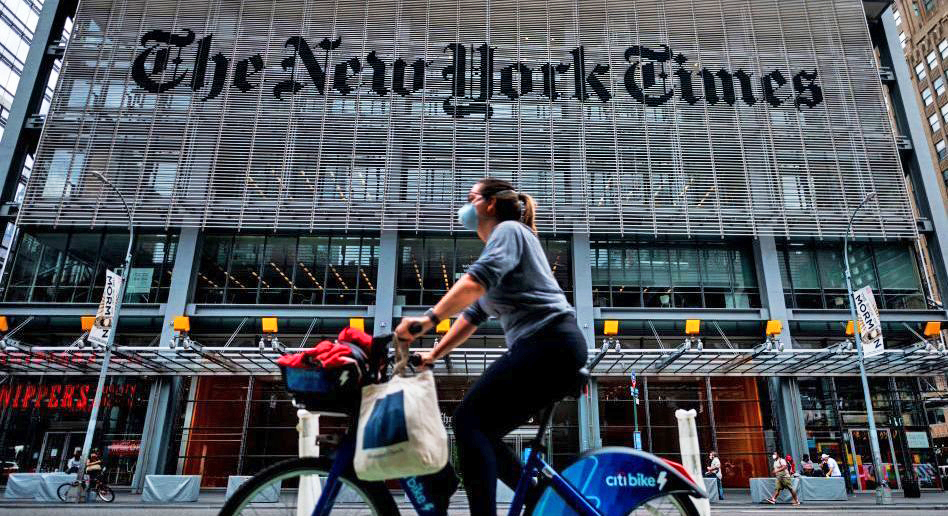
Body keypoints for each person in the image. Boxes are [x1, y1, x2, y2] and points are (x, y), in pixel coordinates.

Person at [396, 178, 585, 515]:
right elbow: (472, 315)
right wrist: (433, 355)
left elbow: (474, 283)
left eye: (471, 198)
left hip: (548, 343)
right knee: (484, 432)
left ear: (490, 204)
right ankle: (542, 501)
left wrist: (427, 320)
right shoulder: (505, 243)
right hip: (547, 346)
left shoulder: (509, 231)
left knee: (469, 421)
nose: (466, 207)